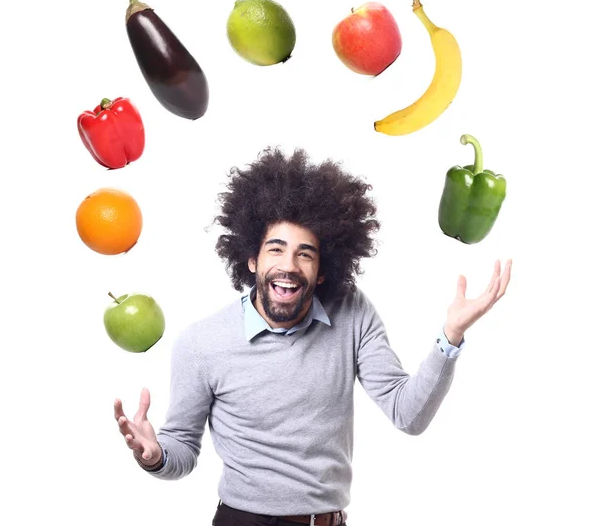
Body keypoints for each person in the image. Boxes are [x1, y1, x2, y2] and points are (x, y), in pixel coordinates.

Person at [114, 147, 512, 526]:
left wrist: (451, 336)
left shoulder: (352, 311)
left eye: (305, 253)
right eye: (275, 249)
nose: (288, 266)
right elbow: (181, 448)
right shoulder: (201, 343)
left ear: (323, 269)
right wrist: (155, 455)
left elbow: (407, 415)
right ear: (251, 259)